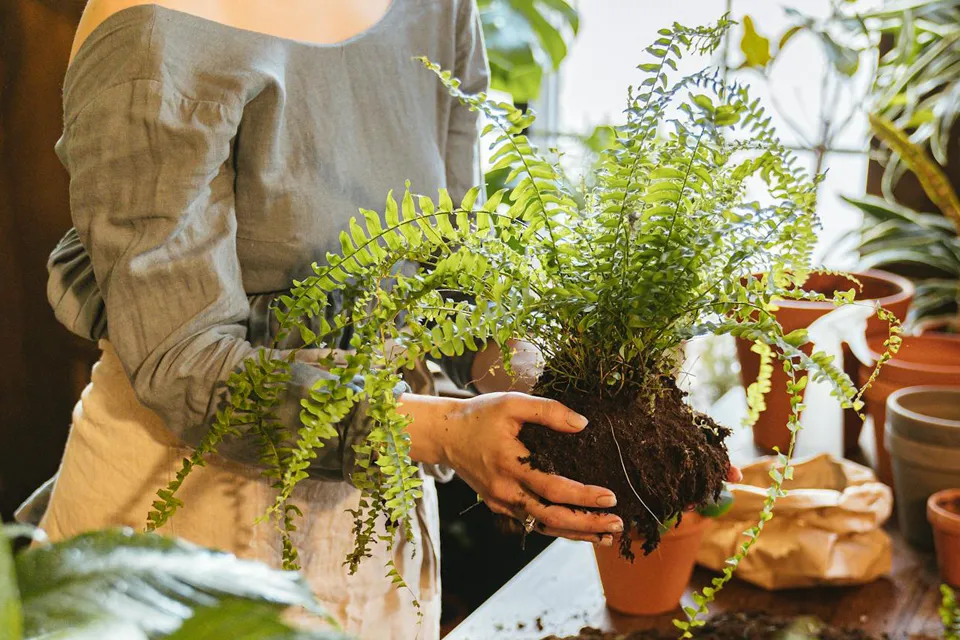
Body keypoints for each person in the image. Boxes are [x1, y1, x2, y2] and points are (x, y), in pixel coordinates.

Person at [26, 2, 631, 638]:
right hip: (189, 542)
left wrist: (552, 387)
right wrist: (448, 432)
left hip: (382, 540)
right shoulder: (156, 26)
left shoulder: (440, 9)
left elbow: (443, 268)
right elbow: (187, 363)